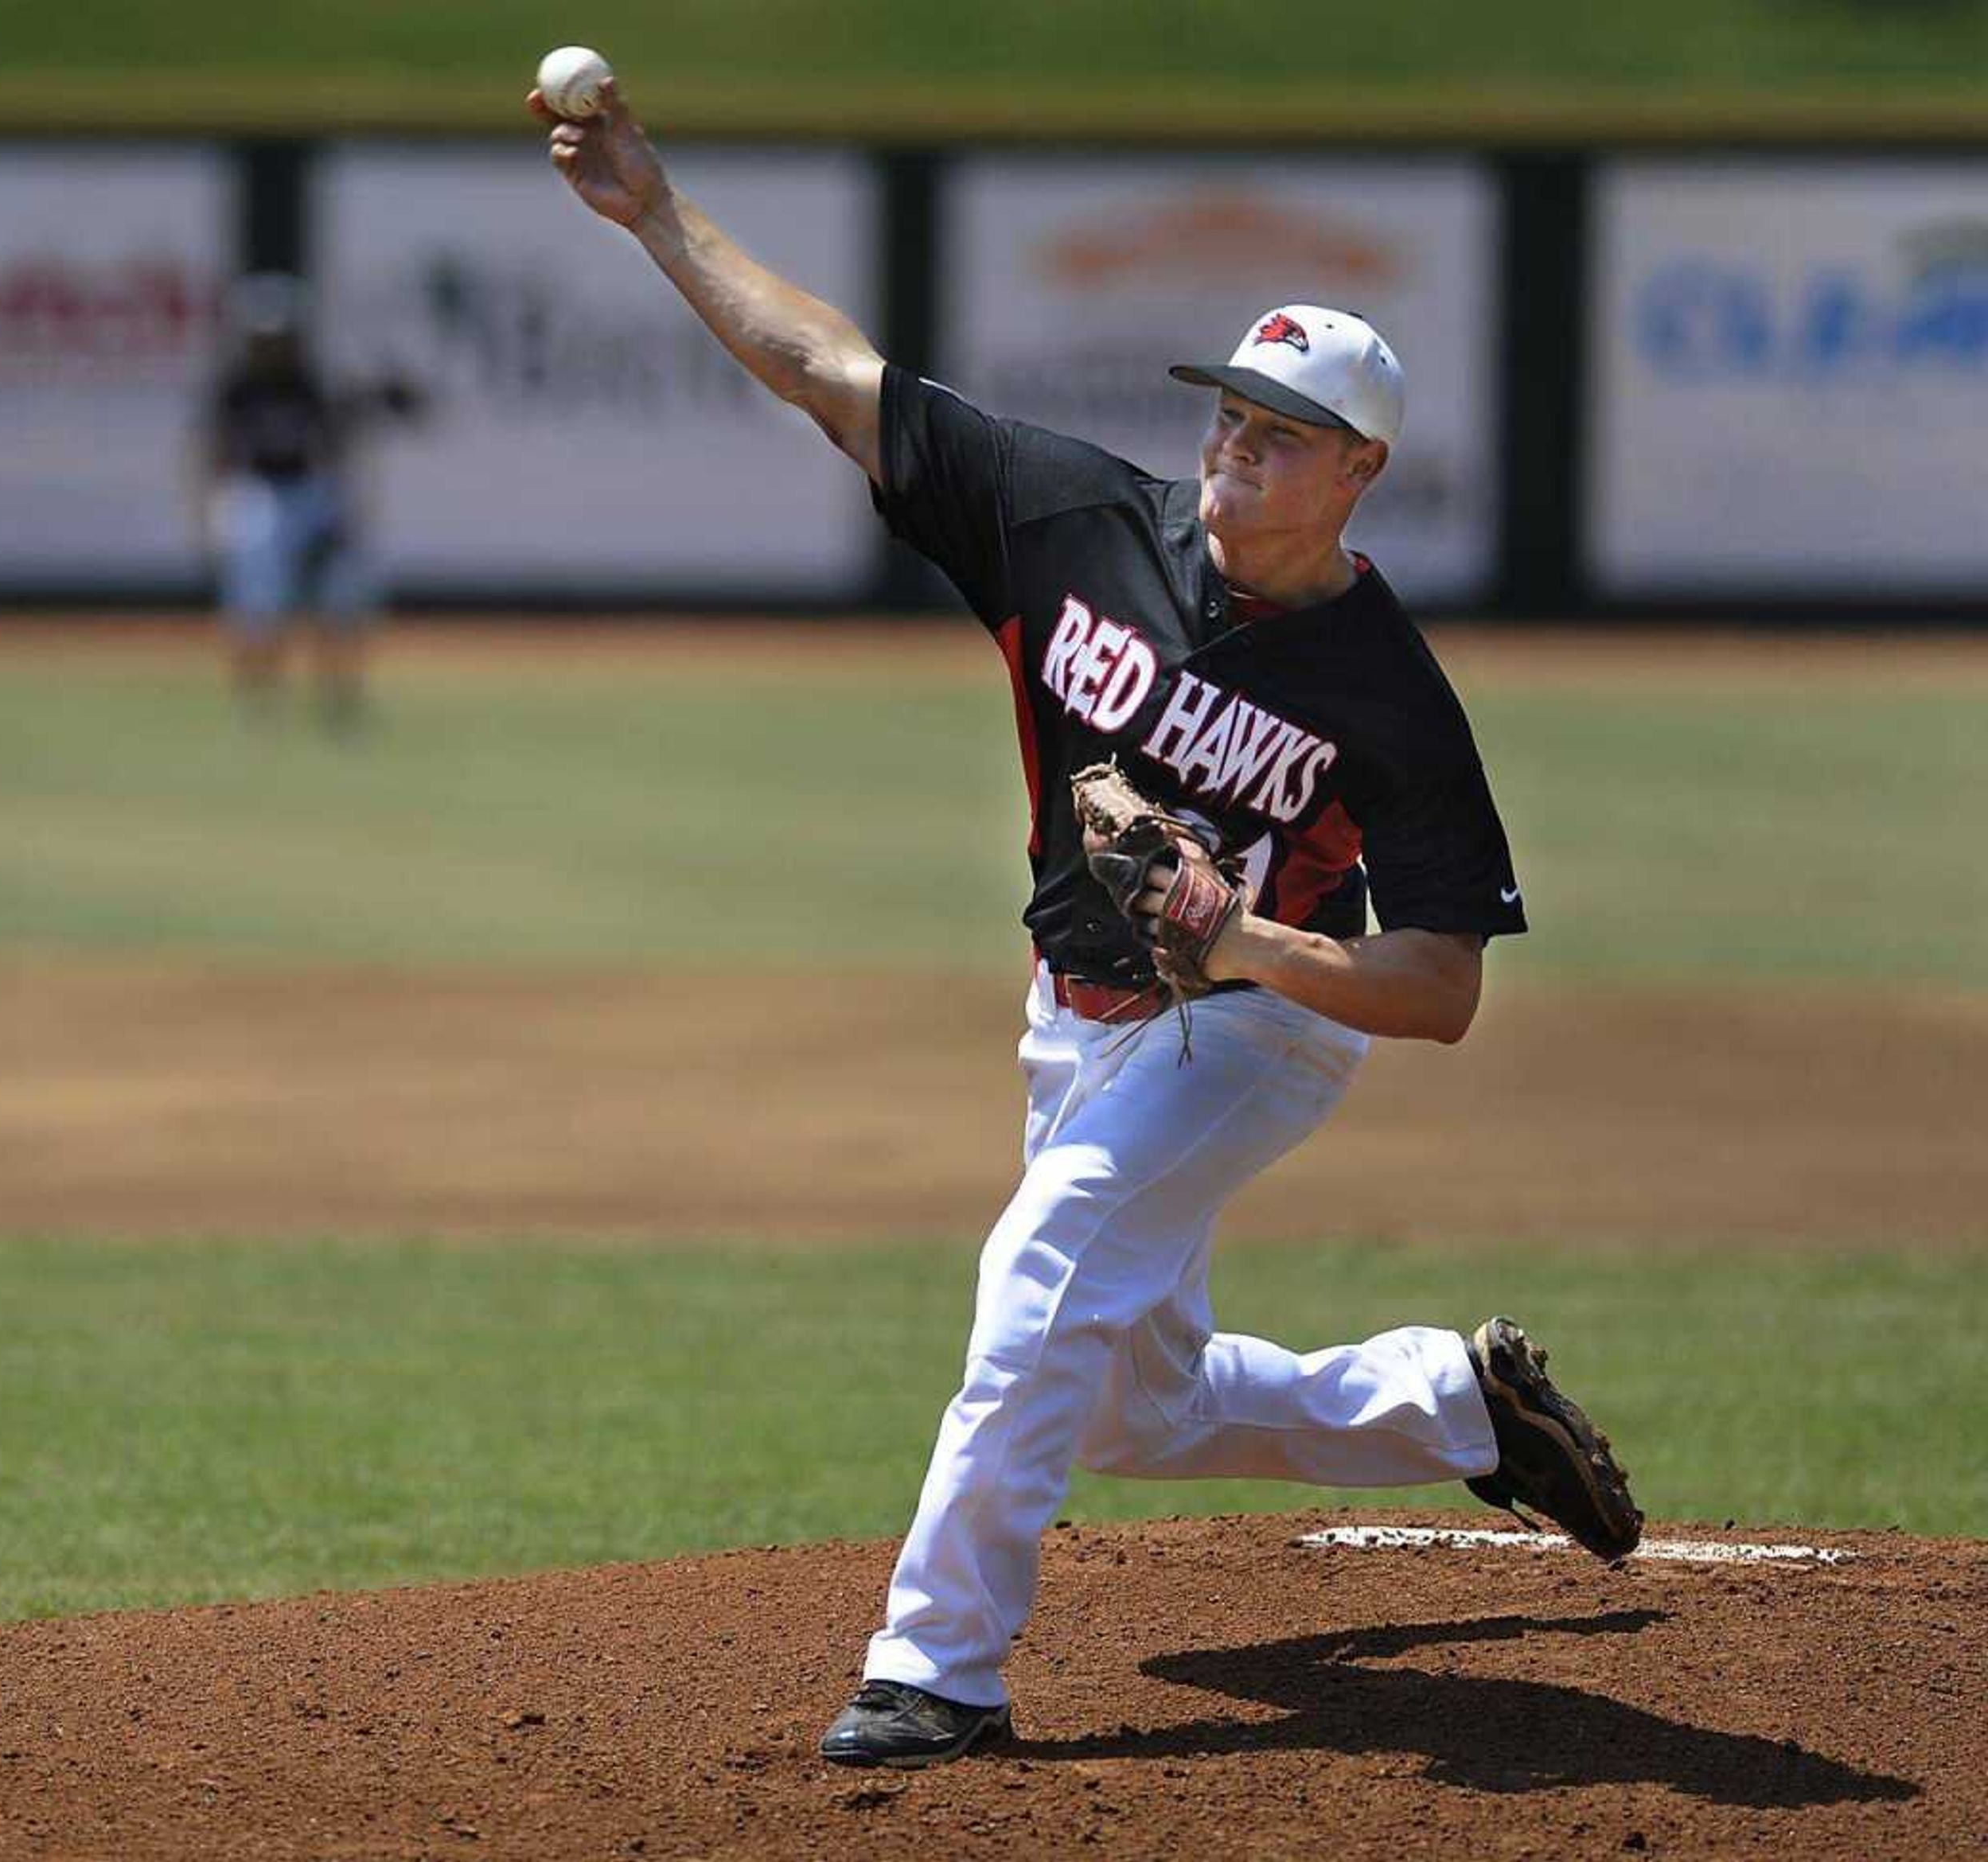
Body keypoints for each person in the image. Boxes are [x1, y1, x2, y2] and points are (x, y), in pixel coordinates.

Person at [529, 80, 1642, 1769]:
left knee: (1037, 1273)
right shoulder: (1073, 520)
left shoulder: (1390, 697)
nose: (1234, 444)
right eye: (1228, 415)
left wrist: (1247, 937)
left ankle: (937, 1672)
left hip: (1264, 1025)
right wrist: (657, 214)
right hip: (1076, 1015)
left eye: (1278, 431)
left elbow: (1441, 987)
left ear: (1358, 472)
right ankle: (1456, 1403)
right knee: (1133, 1401)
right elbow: (834, 376)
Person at [197, 273, 419, 731]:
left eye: (280, 335)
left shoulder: (314, 383)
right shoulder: (237, 388)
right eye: (264, 336)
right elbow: (213, 453)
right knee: (259, 607)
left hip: (310, 493)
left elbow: (364, 424)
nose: (273, 345)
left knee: (341, 601)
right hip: (259, 497)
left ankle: (339, 705)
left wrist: (389, 393)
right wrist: (209, 509)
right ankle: (257, 706)